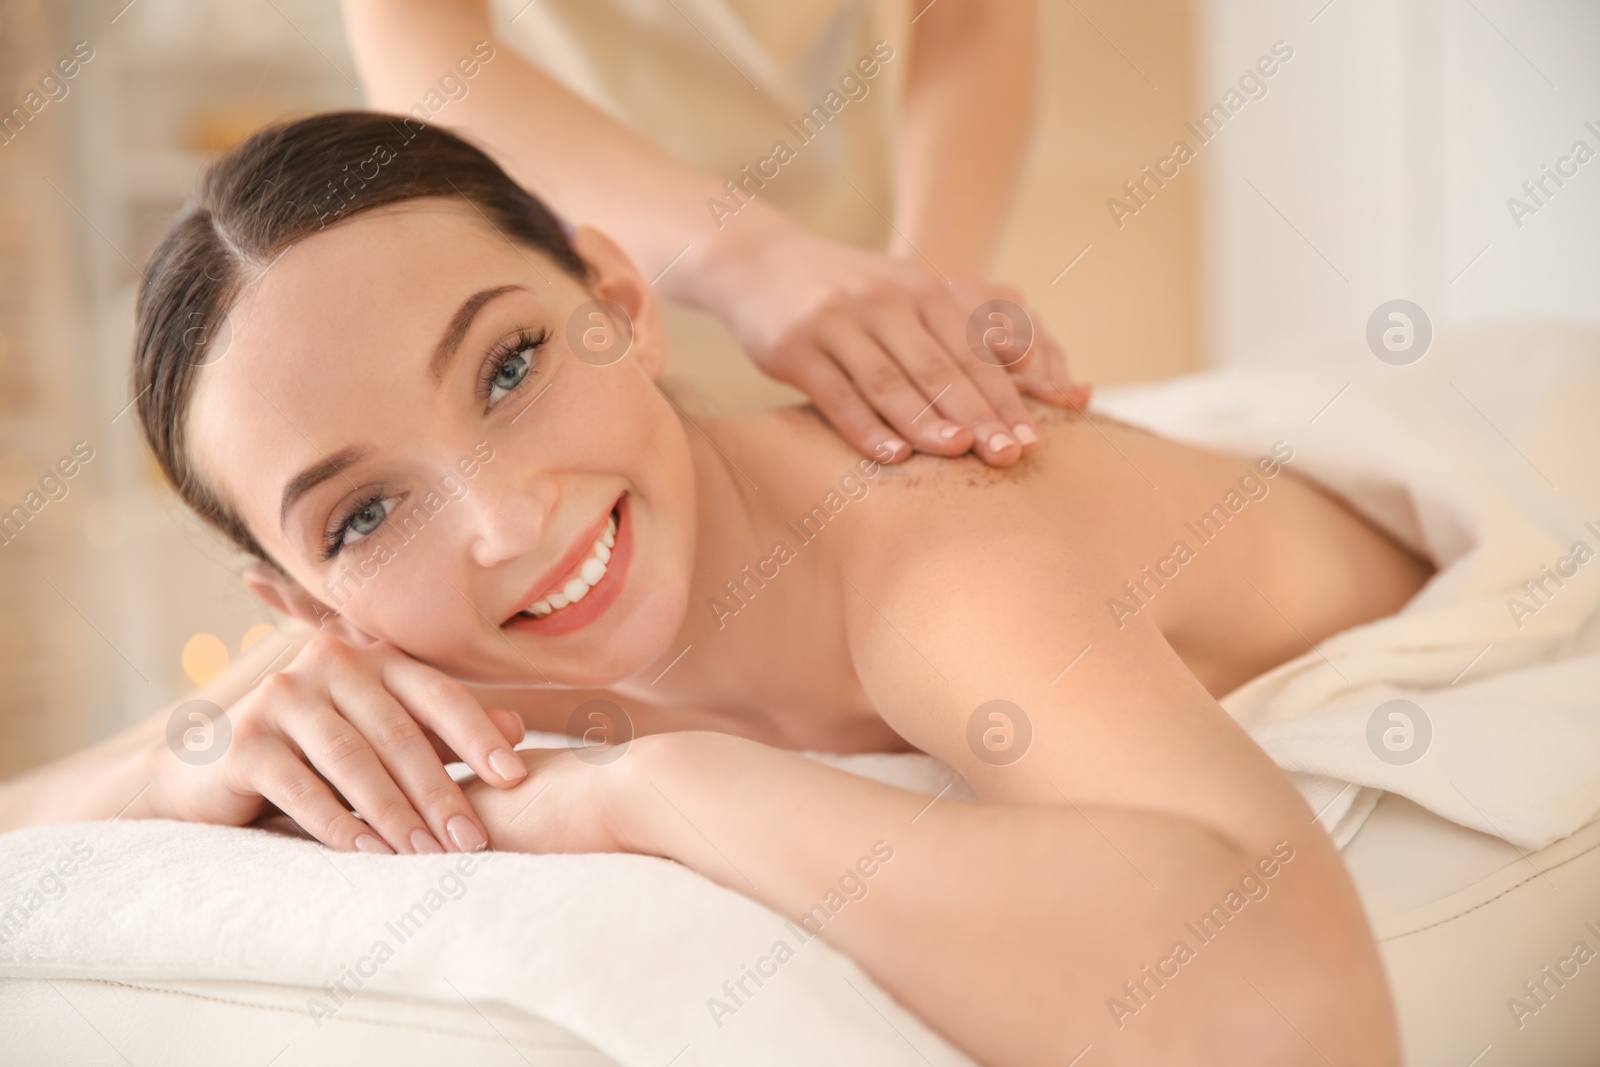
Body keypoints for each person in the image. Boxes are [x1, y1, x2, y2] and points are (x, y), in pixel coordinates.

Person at [1, 114, 1417, 1063]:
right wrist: (178, 755)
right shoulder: (416, 642)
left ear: (618, 301)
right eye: (366, 512)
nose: (505, 521)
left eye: (509, 366)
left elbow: (1301, 1003)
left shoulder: (936, 558)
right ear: (306, 604)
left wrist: (657, 793)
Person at [341, 0, 1085, 470]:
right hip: (570, 253)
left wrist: (928, 297)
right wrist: (753, 260)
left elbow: (969, 14)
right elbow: (416, 35)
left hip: (848, 248)